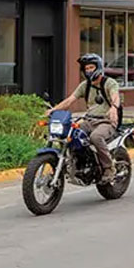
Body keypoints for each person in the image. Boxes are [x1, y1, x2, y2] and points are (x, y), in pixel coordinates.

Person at [48, 53, 120, 183]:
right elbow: (70, 100)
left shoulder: (109, 83)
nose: (89, 71)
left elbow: (115, 95)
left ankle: (109, 168)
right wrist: (54, 110)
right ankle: (77, 162)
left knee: (95, 137)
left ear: (98, 67)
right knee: (68, 133)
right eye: (86, 68)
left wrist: (114, 107)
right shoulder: (85, 85)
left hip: (106, 122)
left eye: (91, 67)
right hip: (89, 120)